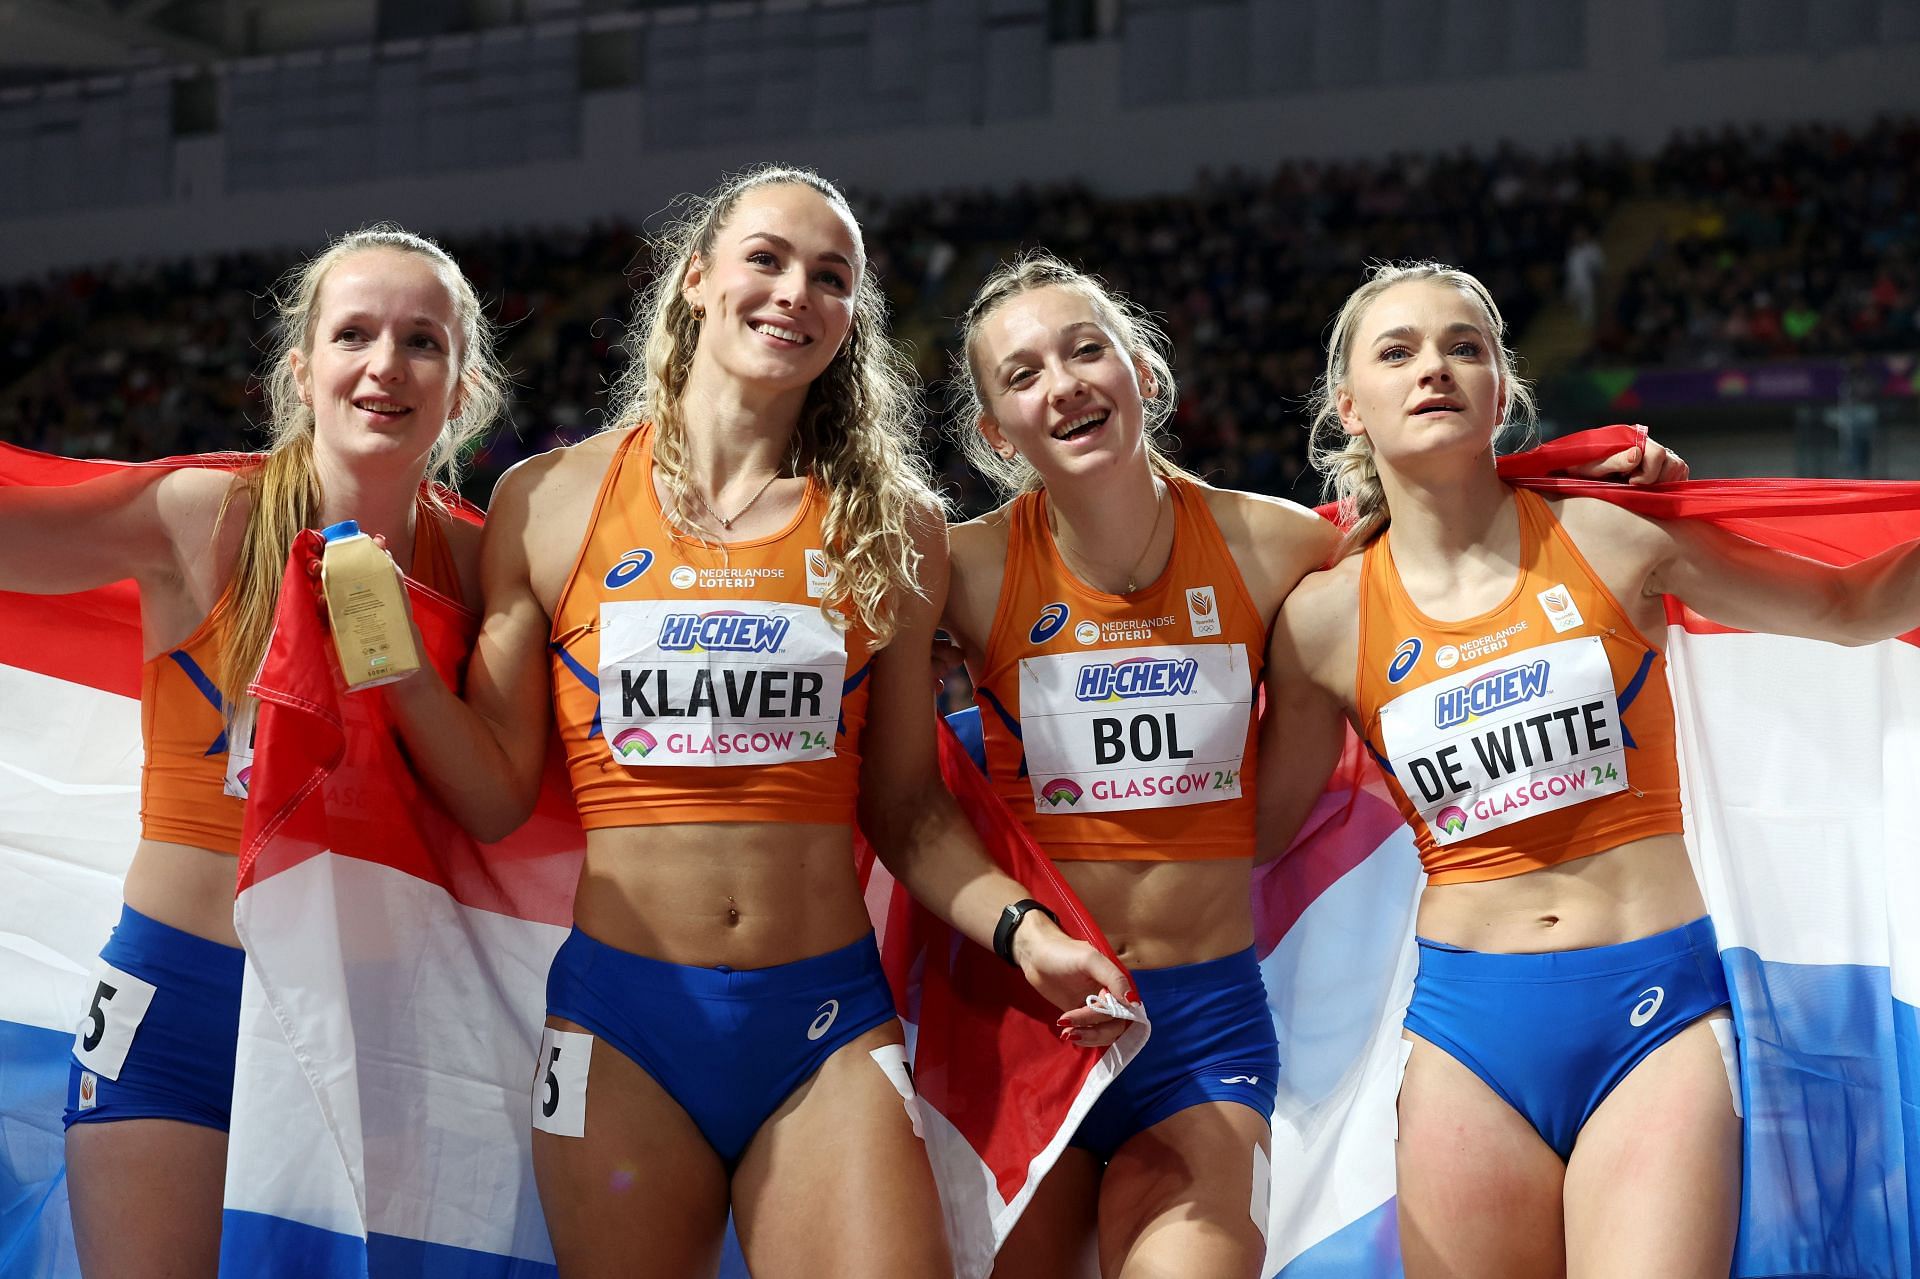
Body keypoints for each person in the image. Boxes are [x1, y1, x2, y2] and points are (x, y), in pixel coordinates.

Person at [382, 166, 1130, 1278]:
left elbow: (909, 810)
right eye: (767, 260)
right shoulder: (549, 502)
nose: (796, 293)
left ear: (850, 321)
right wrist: (384, 663)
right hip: (619, 1026)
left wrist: (1030, 935)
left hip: (823, 1023)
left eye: (832, 278)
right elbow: (493, 792)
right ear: (695, 279)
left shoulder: (895, 530)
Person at [939, 253, 1685, 1278]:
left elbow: (1439, 536)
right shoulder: (957, 570)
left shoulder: (1280, 550)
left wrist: (1567, 480)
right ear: (993, 432)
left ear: (1142, 373)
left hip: (1200, 1032)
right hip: (1022, 1022)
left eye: (1085, 349)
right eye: (1022, 376)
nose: (1063, 383)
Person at [1258, 260, 1920, 1277]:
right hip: (1468, 1036)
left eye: (1464, 346)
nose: (1433, 367)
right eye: (1398, 351)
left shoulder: (1612, 536)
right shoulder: (1322, 620)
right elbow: (1255, 833)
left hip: (1652, 1009)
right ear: (1350, 406)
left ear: (1500, 392)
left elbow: (1846, 610)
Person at [0, 225, 503, 1277]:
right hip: (178, 1002)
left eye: (422, 341)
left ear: (461, 385)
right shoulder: (205, 519)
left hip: (375, 1031)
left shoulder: (482, 566)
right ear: (302, 368)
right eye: (354, 333)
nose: (384, 364)